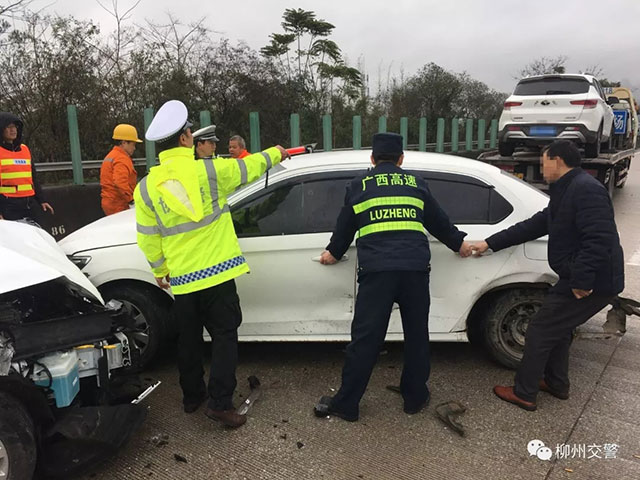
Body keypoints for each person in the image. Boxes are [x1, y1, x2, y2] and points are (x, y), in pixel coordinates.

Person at [134, 100, 290, 428]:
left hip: (183, 279)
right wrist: (277, 151)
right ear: (185, 138)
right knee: (224, 337)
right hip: (218, 274)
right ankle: (221, 403)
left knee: (188, 340)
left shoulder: (146, 188)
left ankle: (192, 397)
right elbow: (251, 167)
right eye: (190, 132)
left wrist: (160, 270)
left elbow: (147, 236)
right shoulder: (209, 170)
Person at [314, 133, 473, 422]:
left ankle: (347, 404)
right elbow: (439, 221)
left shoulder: (358, 185)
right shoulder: (416, 183)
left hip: (377, 273)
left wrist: (333, 253)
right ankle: (414, 396)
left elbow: (345, 226)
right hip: (414, 270)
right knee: (416, 335)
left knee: (365, 339)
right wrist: (459, 244)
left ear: (372, 160)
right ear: (401, 160)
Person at [472, 140, 624, 411]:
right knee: (558, 330)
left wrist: (581, 281)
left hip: (591, 281)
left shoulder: (586, 190)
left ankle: (524, 392)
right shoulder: (567, 190)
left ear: (557, 160)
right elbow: (535, 225)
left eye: (544, 162)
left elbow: (600, 239)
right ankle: (556, 383)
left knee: (540, 330)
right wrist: (490, 243)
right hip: (578, 276)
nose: (542, 168)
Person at [0, 112, 54, 223]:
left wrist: (42, 200)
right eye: (8, 127)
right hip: (8, 204)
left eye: (15, 126)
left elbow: (33, 178)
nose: (13, 130)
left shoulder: (24, 149)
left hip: (29, 203)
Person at [100, 124, 142, 215]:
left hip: (109, 202)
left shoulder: (111, 156)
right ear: (124, 143)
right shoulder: (122, 159)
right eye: (133, 144)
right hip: (119, 204)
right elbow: (120, 182)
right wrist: (131, 200)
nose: (134, 148)